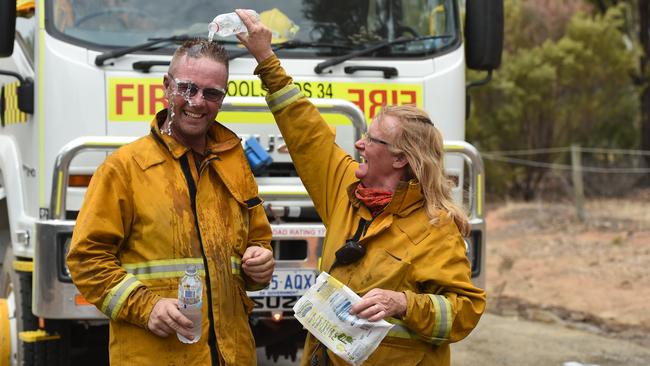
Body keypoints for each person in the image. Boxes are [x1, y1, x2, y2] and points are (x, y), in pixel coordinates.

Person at [235, 9, 486, 366]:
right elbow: (306, 132)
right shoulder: (345, 189)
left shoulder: (437, 227)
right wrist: (265, 58)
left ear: (400, 159)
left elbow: (465, 311)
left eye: (371, 139)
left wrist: (403, 303)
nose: (359, 145)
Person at [67, 39, 274, 366]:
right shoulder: (123, 169)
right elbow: (86, 260)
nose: (197, 102)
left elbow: (257, 240)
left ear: (223, 97)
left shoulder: (233, 164)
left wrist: (260, 263)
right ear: (166, 86)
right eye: (187, 88)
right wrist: (146, 307)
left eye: (211, 93)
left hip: (233, 355)